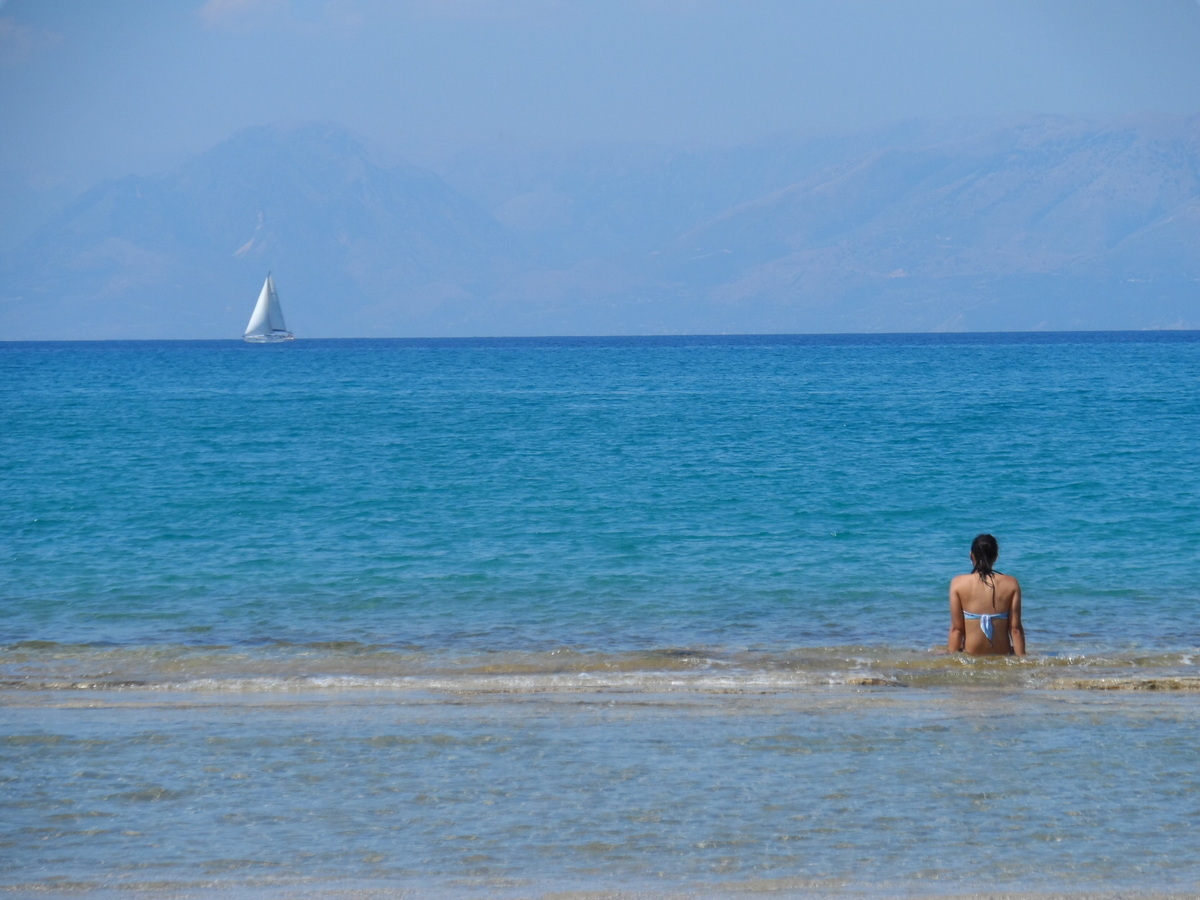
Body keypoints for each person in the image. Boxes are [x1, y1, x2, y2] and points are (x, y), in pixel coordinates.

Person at [948, 534, 1025, 656]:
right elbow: (1015, 630)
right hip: (1002, 656)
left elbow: (957, 630)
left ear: (971, 555)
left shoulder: (958, 583)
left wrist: (950, 664)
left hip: (971, 657)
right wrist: (1022, 662)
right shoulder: (1011, 584)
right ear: (995, 557)